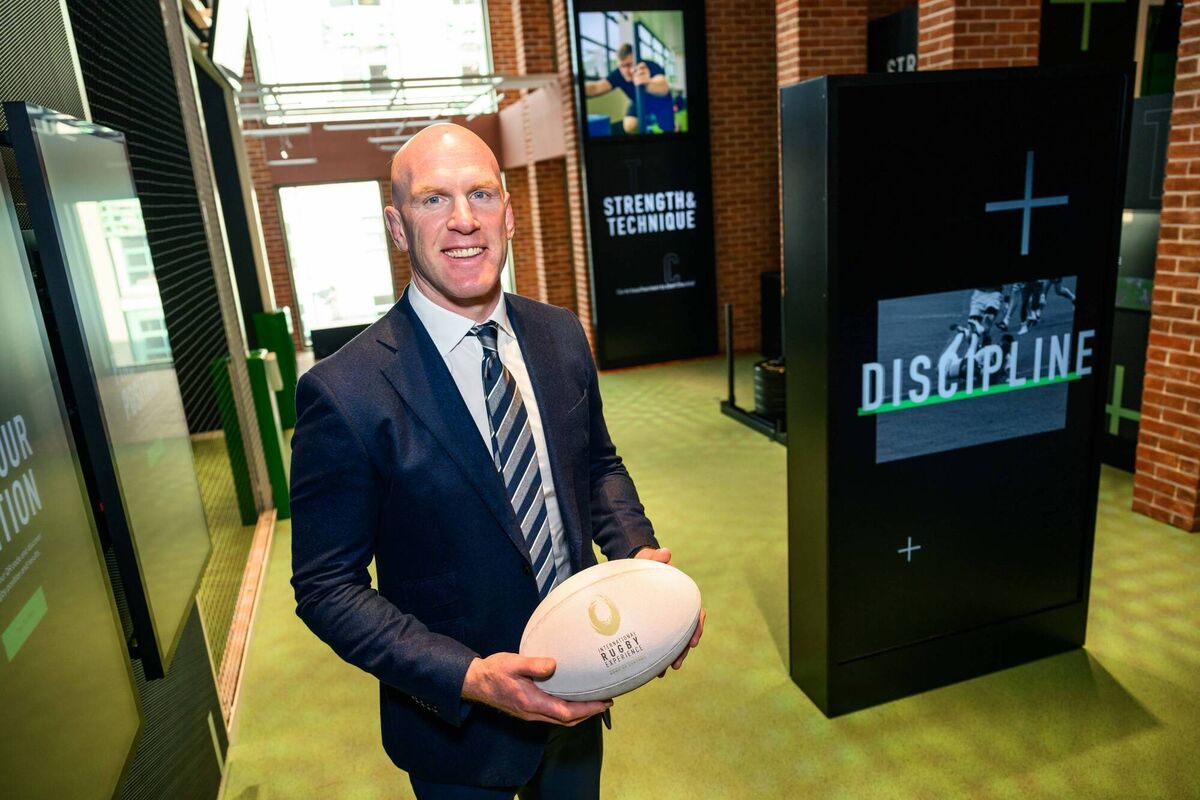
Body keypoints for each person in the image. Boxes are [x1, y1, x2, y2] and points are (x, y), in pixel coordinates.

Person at [289, 123, 704, 799]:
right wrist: (469, 677)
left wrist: (639, 558)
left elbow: (597, 465)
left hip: (580, 687)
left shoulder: (559, 333)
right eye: (433, 200)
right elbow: (326, 585)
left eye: (481, 194)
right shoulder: (346, 392)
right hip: (454, 731)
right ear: (397, 227)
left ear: (507, 214)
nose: (464, 220)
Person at [585, 43, 675, 134]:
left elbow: (664, 87)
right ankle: (649, 131)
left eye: (629, 65)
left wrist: (648, 83)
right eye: (622, 66)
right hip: (639, 101)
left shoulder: (650, 66)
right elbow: (597, 87)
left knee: (668, 129)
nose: (626, 71)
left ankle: (673, 126)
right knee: (629, 126)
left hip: (660, 101)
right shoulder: (618, 74)